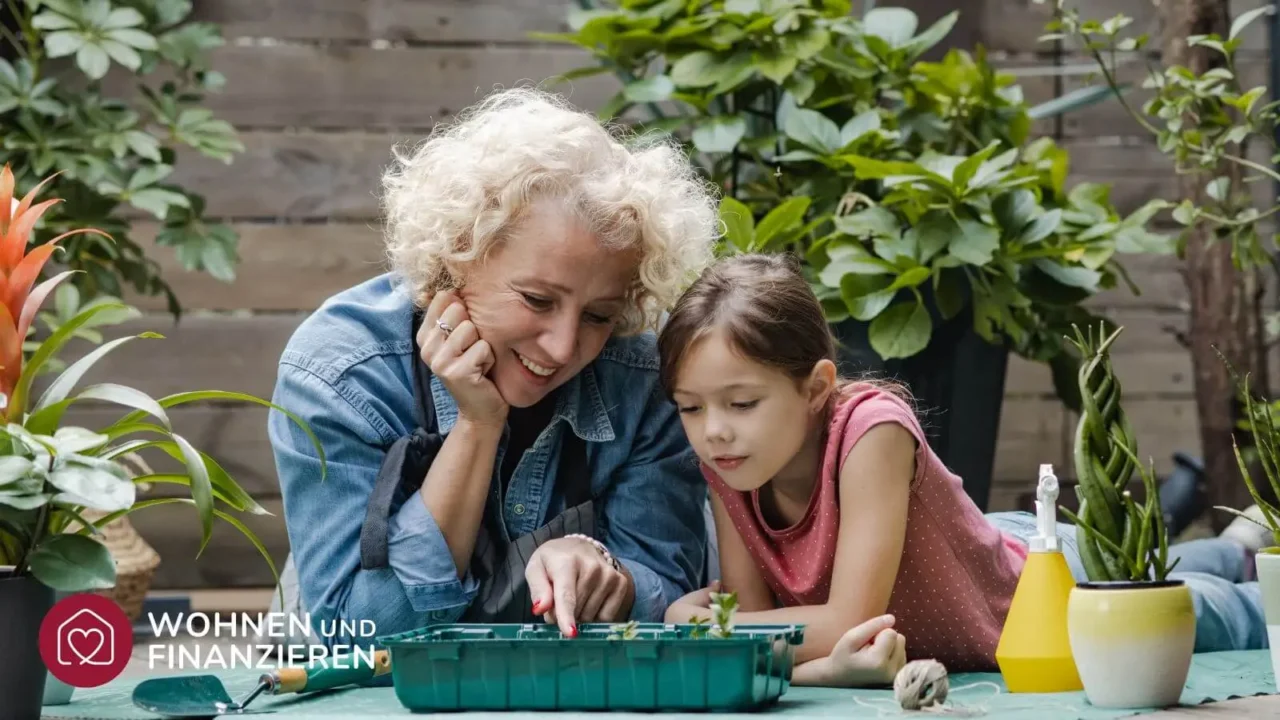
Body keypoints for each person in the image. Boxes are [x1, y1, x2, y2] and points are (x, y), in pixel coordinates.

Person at [655, 252, 1269, 687]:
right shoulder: (728, 461)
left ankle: (1243, 555)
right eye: (690, 407)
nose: (713, 429)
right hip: (986, 542)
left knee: (1213, 611)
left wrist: (701, 629)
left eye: (742, 403)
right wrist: (771, 647)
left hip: (1037, 592)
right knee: (1198, 562)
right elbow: (751, 635)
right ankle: (1236, 544)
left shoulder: (871, 430)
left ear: (816, 387)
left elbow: (833, 624)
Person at [266, 87, 721, 656]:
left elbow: (673, 597)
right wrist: (476, 427)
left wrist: (609, 574)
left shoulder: (640, 375)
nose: (560, 348)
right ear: (457, 254)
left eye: (600, 315)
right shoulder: (341, 373)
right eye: (536, 299)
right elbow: (358, 635)